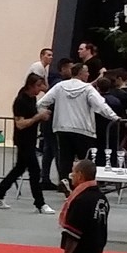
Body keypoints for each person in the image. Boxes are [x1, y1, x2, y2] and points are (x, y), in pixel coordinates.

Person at [36, 63, 118, 191]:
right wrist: (114, 117)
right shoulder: (88, 89)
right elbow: (100, 105)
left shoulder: (60, 86)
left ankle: (65, 183)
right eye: (86, 72)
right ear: (80, 73)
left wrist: (43, 113)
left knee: (65, 159)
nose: (88, 74)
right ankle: (84, 187)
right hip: (83, 130)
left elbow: (42, 102)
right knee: (85, 161)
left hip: (62, 128)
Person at [0, 74, 54, 214]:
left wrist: (40, 116)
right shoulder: (20, 101)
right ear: (30, 85)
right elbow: (20, 124)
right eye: (38, 85)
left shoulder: (32, 98)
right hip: (23, 141)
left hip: (30, 139)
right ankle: (40, 203)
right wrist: (38, 117)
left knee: (19, 169)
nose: (40, 89)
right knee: (35, 171)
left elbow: (31, 116)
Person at [40, 58, 74, 190]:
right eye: (70, 68)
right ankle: (62, 180)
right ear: (63, 69)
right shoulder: (59, 84)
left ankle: (45, 178)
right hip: (53, 122)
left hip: (50, 121)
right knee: (58, 151)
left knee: (49, 151)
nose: (72, 71)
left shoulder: (56, 82)